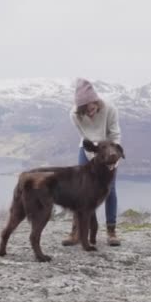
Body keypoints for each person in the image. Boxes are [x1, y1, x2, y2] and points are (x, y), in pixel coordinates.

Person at [63, 78, 122, 246]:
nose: (90, 113)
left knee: (109, 189)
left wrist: (113, 159)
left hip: (109, 151)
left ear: (96, 101)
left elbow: (115, 135)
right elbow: (85, 136)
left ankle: (111, 231)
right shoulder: (74, 114)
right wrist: (93, 157)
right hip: (88, 149)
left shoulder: (110, 109)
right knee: (82, 190)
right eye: (86, 111)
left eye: (92, 108)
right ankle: (77, 232)